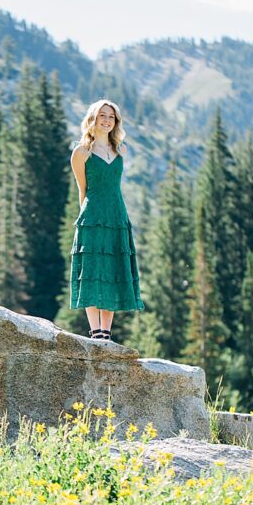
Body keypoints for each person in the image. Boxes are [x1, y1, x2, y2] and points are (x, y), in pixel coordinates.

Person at [69, 99, 145, 342]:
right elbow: (83, 189)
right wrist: (87, 220)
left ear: (116, 122)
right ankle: (95, 332)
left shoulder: (120, 151)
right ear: (93, 118)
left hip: (117, 215)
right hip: (92, 217)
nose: (106, 120)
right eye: (102, 115)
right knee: (91, 271)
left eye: (111, 117)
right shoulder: (81, 153)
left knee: (112, 269)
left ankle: (106, 333)